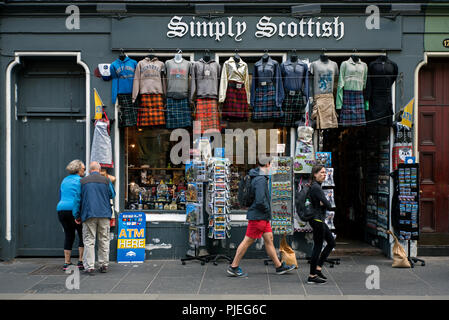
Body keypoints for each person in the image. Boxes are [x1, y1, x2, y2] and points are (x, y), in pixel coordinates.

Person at [227, 158, 295, 277]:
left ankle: (279, 266)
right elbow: (259, 200)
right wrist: (268, 209)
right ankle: (234, 267)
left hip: (261, 216)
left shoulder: (258, 177)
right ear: (267, 164)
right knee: (247, 241)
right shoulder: (260, 180)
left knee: (269, 239)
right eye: (272, 165)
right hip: (259, 216)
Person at [74, 161, 116, 275]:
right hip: (104, 214)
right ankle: (103, 265)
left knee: (89, 241)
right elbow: (112, 194)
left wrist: (76, 215)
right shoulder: (106, 181)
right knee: (104, 239)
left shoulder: (82, 182)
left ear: (89, 169)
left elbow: (77, 200)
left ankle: (90, 266)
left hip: (89, 214)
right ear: (99, 169)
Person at [307, 165, 336, 284]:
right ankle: (312, 275)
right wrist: (324, 202)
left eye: (325, 173)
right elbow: (329, 205)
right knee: (318, 247)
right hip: (317, 220)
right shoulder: (316, 188)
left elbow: (324, 203)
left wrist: (322, 202)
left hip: (319, 219)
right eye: (321, 172)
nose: (324, 174)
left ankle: (318, 268)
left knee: (331, 242)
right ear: (315, 174)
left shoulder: (316, 186)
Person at [56, 159, 86, 271]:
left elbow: (61, 195)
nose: (84, 170)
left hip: (61, 209)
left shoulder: (64, 180)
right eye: (83, 168)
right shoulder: (81, 181)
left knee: (69, 234)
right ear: (78, 169)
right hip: (74, 209)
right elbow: (81, 198)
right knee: (82, 234)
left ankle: (66, 263)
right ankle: (81, 261)